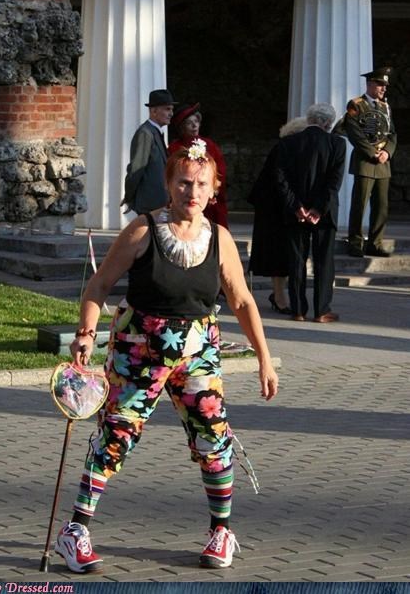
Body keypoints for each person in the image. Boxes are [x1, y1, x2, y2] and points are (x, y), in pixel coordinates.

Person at [55, 140, 279, 574]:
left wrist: (264, 360)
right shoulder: (142, 231)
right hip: (139, 350)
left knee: (213, 438)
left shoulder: (220, 239)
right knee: (116, 435)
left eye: (201, 185)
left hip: (198, 353)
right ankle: (75, 531)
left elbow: (242, 302)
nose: (192, 192)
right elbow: (99, 286)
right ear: (168, 184)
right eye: (183, 183)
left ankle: (221, 531)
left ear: (214, 189)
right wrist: (86, 333)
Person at [276, 103, 346, 323]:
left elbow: (281, 179)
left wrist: (297, 207)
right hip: (324, 213)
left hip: (295, 213)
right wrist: (318, 209)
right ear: (328, 123)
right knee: (324, 261)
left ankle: (298, 309)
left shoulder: (288, 143)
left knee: (297, 260)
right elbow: (334, 181)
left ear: (309, 120)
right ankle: (322, 310)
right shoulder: (337, 143)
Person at [247, 117, 307, 315]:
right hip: (274, 210)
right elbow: (278, 179)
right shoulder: (284, 149)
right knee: (277, 254)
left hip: (282, 208)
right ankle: (279, 297)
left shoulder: (288, 148)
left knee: (283, 255)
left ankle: (280, 295)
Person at [341, 67, 397, 258]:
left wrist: (387, 153)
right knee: (360, 205)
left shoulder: (385, 107)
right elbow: (354, 132)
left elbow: (392, 133)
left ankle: (375, 243)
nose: (383, 88)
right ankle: (355, 243)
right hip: (365, 162)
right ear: (370, 84)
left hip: (383, 164)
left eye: (385, 85)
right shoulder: (356, 104)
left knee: (381, 207)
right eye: (380, 84)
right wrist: (373, 153)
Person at [168, 102, 229, 229]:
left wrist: (214, 190)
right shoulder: (175, 147)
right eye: (189, 123)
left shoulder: (209, 144)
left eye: (196, 121)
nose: (194, 125)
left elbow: (220, 170)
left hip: (208, 197)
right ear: (182, 127)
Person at [121, 89, 178, 215]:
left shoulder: (154, 132)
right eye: (167, 109)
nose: (171, 113)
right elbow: (136, 169)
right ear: (153, 111)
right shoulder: (145, 133)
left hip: (158, 204)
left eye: (172, 109)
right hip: (150, 205)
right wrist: (129, 197)